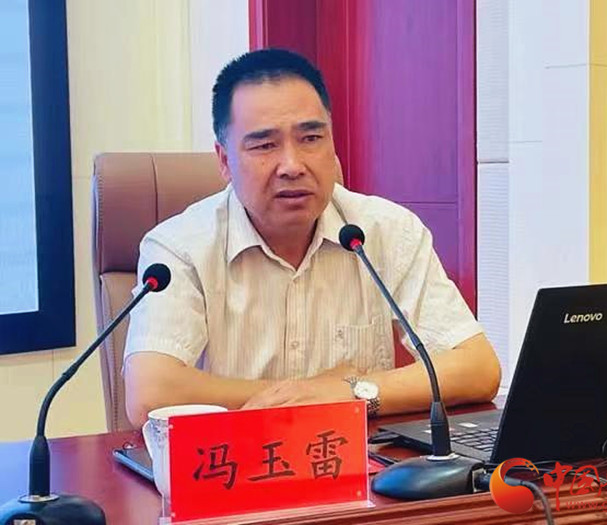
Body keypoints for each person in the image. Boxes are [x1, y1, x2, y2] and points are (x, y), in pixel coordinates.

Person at [123, 48, 501, 427]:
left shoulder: (386, 231)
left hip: (358, 458)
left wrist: (350, 391)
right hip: (236, 456)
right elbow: (150, 393)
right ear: (224, 161)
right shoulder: (179, 247)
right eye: (265, 145)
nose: (292, 165)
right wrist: (312, 394)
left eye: (311, 138)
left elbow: (478, 367)